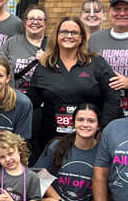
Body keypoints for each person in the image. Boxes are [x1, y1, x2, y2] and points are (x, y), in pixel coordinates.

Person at [26, 16, 122, 159]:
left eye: (74, 32)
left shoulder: (97, 63)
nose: (69, 36)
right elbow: (31, 101)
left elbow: (112, 98)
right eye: (64, 32)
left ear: (82, 37)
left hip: (89, 139)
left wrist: (102, 128)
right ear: (57, 36)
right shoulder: (44, 66)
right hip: (51, 139)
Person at [0, 3, 47, 92]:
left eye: (40, 19)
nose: (35, 22)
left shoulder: (52, 46)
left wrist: (47, 62)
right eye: (31, 19)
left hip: (41, 98)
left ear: (45, 24)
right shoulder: (12, 42)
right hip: (13, 96)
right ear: (25, 23)